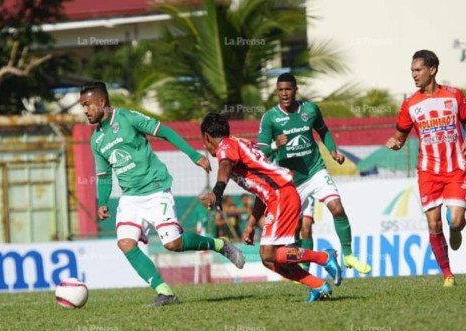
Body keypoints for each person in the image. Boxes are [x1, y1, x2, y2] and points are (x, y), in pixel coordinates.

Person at [80, 81, 245, 307]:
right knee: (126, 243)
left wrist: (193, 155)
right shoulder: (96, 140)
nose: (85, 110)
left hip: (156, 189)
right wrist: (102, 201)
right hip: (130, 198)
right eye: (83, 106)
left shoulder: (127, 118)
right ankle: (164, 292)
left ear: (102, 102)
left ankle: (219, 245)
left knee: (173, 244)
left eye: (88, 105)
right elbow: (103, 175)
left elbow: (164, 132)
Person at [199, 113, 342, 302]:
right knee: (270, 260)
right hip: (278, 195)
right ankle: (318, 285)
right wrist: (251, 223)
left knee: (269, 253)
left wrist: (217, 191)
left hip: (281, 194)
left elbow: (224, 166)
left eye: (203, 141)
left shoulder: (226, 146)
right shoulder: (240, 144)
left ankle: (323, 257)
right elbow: (262, 190)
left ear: (207, 137)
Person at [257, 72, 371, 274]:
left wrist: (333, 150)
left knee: (337, 208)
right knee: (292, 230)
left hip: (315, 170)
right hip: (291, 181)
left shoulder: (310, 110)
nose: (284, 94)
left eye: (288, 89)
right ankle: (305, 268)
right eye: (280, 90)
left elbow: (323, 130)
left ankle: (348, 255)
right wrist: (275, 144)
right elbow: (259, 152)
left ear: (295, 90)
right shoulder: (270, 118)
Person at [386, 50, 466, 287]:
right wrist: (395, 143)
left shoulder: (454, 96)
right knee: (433, 224)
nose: (414, 75)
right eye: (412, 70)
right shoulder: (410, 104)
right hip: (428, 171)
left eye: (418, 70)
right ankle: (447, 274)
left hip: (455, 169)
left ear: (432, 70)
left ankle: (457, 228)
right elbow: (400, 136)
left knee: (456, 220)